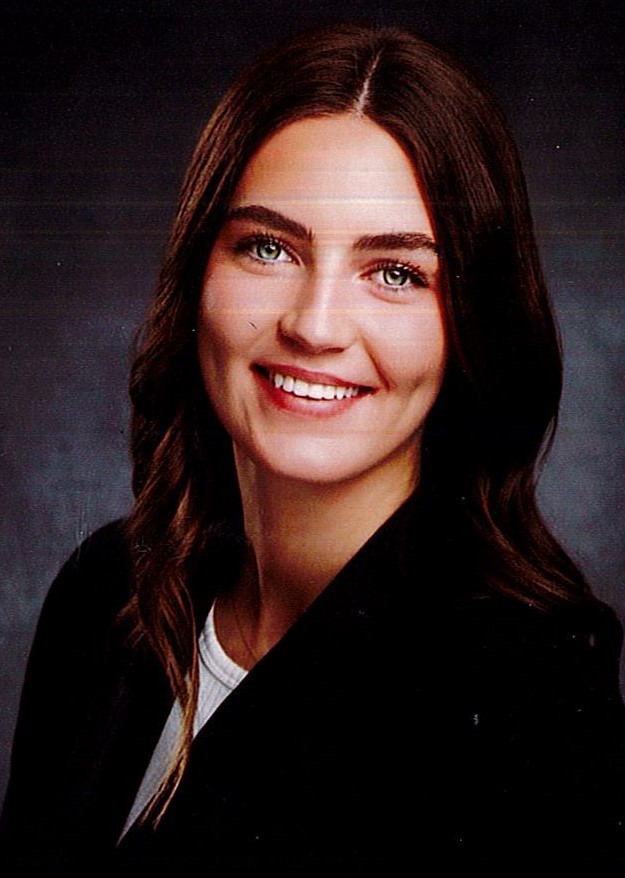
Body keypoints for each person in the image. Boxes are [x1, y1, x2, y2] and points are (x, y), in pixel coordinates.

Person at [1, 21, 624, 877]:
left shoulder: (527, 694)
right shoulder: (107, 590)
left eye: (395, 272)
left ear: (472, 323)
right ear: (198, 273)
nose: (314, 325)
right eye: (268, 247)